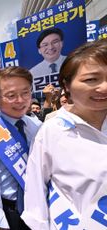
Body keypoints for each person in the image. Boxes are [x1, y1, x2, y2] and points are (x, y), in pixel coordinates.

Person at [22, 39, 107, 229]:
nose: (104, 87)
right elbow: (35, 199)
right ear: (66, 85)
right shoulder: (53, 130)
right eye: (91, 79)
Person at [0, 66, 41, 230]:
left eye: (25, 93)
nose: (20, 100)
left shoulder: (38, 126)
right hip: (11, 211)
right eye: (11, 95)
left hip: (40, 206)